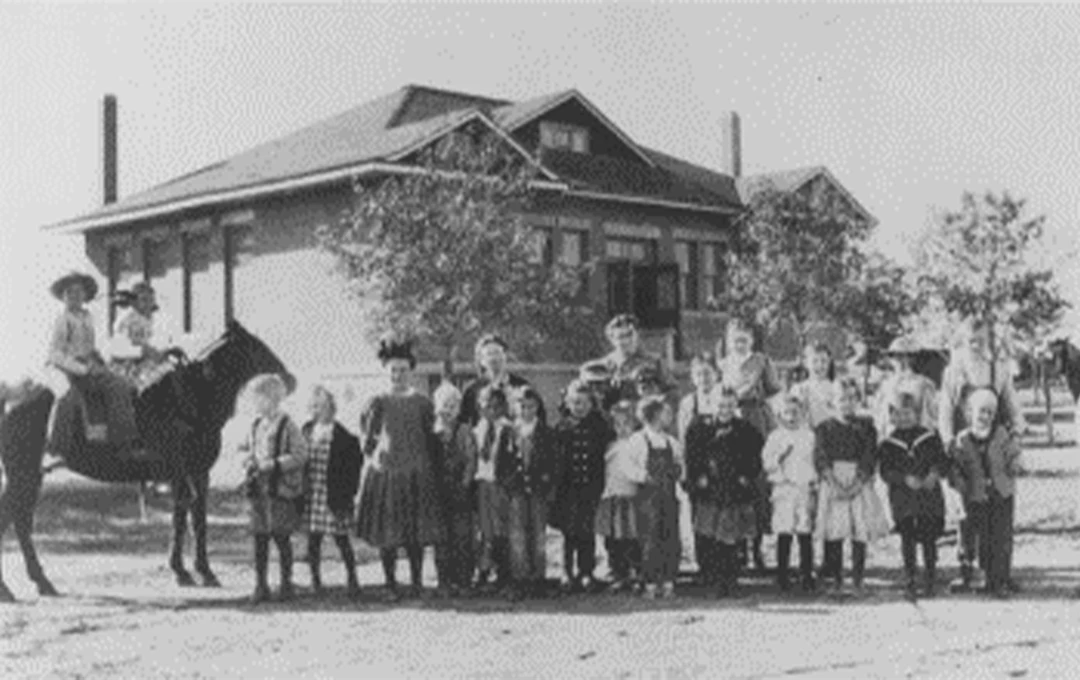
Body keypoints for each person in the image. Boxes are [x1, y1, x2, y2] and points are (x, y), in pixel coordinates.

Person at [938, 319, 1024, 592]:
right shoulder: (954, 372)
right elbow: (945, 410)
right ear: (963, 341)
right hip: (965, 448)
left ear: (989, 341)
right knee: (966, 514)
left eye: (981, 341)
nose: (976, 346)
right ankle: (966, 572)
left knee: (998, 512)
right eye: (971, 341)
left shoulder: (998, 370)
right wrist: (948, 441)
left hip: (994, 448)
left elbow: (1011, 404)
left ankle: (999, 574)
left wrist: (1016, 435)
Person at [356, 337, 442, 600]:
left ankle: (417, 583)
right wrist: (377, 457)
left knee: (415, 533)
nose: (398, 375)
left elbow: (432, 437)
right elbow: (367, 437)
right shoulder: (378, 402)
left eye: (403, 370)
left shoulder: (423, 403)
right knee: (389, 534)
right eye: (393, 370)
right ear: (386, 371)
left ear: (411, 371)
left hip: (417, 473)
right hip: (388, 475)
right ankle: (391, 584)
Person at [814, 378, 892, 595]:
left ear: (858, 400)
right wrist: (834, 484)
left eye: (851, 399)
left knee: (860, 531)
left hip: (859, 482)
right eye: (841, 399)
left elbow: (869, 456)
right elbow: (821, 458)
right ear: (833, 402)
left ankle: (858, 580)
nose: (846, 403)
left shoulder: (866, 427)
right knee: (836, 532)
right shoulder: (824, 428)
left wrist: (858, 483)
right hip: (834, 483)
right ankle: (837, 580)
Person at [46, 271, 139, 452]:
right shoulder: (63, 320)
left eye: (78, 292)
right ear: (63, 297)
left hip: (90, 364)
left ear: (84, 296)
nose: (74, 296)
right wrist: (83, 369)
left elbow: (89, 347)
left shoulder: (87, 317)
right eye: (70, 293)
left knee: (124, 384)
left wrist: (99, 361)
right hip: (70, 368)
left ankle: (122, 435)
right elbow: (56, 354)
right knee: (111, 388)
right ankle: (121, 440)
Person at [685, 387, 765, 597]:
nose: (725, 409)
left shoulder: (746, 429)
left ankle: (731, 577)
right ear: (713, 405)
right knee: (709, 534)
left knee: (731, 536)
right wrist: (698, 475)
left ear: (736, 406)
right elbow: (692, 455)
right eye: (721, 405)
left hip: (734, 490)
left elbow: (756, 456)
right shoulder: (700, 428)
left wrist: (746, 475)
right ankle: (712, 577)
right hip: (710, 489)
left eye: (730, 405)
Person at [718, 320, 781, 572]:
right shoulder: (723, 363)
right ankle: (738, 550)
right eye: (735, 339)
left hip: (756, 419)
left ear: (751, 341)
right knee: (734, 482)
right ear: (728, 340)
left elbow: (773, 392)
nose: (740, 344)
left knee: (758, 485)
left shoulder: (761, 361)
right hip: (730, 418)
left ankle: (757, 549)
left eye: (744, 339)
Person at [948, 388, 1023, 599]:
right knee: (975, 535)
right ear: (969, 413)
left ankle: (1000, 578)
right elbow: (956, 467)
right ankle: (973, 574)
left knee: (1000, 536)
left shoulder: (1001, 434)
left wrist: (1015, 463)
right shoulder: (962, 440)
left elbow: (1012, 455)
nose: (984, 417)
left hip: (1001, 492)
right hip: (975, 494)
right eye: (980, 412)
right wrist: (959, 483)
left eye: (989, 412)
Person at [240, 374, 309, 603]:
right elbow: (249, 449)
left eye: (258, 398)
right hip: (259, 491)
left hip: (280, 490)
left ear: (271, 398)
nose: (255, 403)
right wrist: (249, 460)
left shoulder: (287, 424)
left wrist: (274, 464)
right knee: (259, 539)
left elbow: (300, 455)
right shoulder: (256, 424)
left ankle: (286, 584)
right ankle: (261, 585)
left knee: (281, 537)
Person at [879, 391, 950, 600]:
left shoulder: (929, 438)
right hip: (904, 499)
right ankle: (910, 578)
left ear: (917, 413)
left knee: (929, 538)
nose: (903, 418)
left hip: (928, 496)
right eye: (898, 414)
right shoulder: (889, 444)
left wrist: (934, 474)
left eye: (908, 413)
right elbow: (885, 471)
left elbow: (943, 461)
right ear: (891, 416)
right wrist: (902, 478)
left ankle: (930, 576)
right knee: (907, 540)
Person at [550, 379, 614, 592]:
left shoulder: (599, 426)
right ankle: (566, 571)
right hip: (568, 489)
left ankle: (586, 571)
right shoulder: (561, 427)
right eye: (575, 403)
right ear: (567, 403)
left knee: (587, 532)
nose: (580, 407)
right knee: (569, 533)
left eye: (584, 403)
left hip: (590, 487)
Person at [301, 385, 362, 598]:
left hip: (334, 494)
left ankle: (352, 578)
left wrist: (349, 495)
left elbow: (354, 469)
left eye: (323, 406)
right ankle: (315, 580)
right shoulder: (306, 431)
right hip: (313, 493)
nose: (318, 410)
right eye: (314, 406)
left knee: (341, 538)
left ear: (332, 408)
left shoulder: (344, 437)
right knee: (313, 540)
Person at [500, 386, 557, 599]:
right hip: (517, 491)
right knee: (517, 535)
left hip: (538, 491)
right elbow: (502, 463)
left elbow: (554, 464)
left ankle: (538, 578)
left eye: (531, 406)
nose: (526, 411)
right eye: (522, 406)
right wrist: (508, 484)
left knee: (539, 535)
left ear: (538, 407)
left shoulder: (546, 432)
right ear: (515, 408)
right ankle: (520, 578)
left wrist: (548, 485)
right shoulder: (509, 432)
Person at [762, 392, 817, 593]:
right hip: (784, 489)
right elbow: (767, 463)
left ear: (802, 413)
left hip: (803, 488)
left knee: (804, 532)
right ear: (780, 415)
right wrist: (779, 457)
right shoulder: (775, 437)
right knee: (784, 532)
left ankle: (806, 573)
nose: (792, 417)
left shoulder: (809, 436)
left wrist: (813, 483)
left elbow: (814, 462)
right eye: (787, 413)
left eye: (795, 412)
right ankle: (782, 574)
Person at [634, 395, 683, 600]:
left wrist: (679, 472)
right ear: (653, 415)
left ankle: (669, 580)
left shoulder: (671, 441)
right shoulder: (639, 440)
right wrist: (643, 476)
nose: (670, 417)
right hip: (648, 498)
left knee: (670, 537)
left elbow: (680, 463)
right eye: (666, 413)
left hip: (669, 496)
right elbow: (630, 466)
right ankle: (651, 582)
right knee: (650, 538)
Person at [431, 381, 478, 597]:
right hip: (439, 492)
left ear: (459, 408)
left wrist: (466, 483)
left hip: (460, 490)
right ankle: (444, 580)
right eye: (444, 405)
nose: (448, 410)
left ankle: (464, 580)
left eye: (453, 405)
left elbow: (470, 460)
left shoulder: (465, 430)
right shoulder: (432, 432)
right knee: (442, 538)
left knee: (463, 537)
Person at [594, 400, 646, 593]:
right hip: (613, 496)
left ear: (634, 425)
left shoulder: (638, 444)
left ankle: (637, 573)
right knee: (613, 538)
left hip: (631, 496)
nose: (622, 428)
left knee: (633, 537)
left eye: (627, 424)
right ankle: (618, 572)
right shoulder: (610, 446)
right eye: (618, 424)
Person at [471, 385, 514, 593]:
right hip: (482, 485)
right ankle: (484, 571)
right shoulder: (478, 428)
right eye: (486, 405)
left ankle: (504, 574)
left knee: (500, 530)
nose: (491, 410)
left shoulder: (507, 429)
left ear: (503, 406)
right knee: (484, 531)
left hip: (499, 485)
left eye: (496, 405)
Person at [108, 281, 178, 391]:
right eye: (144, 300)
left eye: (151, 300)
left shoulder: (151, 319)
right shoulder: (126, 319)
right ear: (134, 301)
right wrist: (143, 351)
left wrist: (165, 351)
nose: (148, 304)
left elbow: (153, 343)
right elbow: (117, 349)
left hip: (144, 362)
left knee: (171, 371)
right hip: (123, 366)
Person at [592, 314, 672, 410]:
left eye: (630, 335)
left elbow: (672, 391)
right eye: (621, 337)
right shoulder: (604, 365)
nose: (627, 341)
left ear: (637, 335)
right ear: (612, 340)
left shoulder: (654, 362)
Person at [873, 336, 938, 438]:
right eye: (894, 356)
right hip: (891, 439)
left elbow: (929, 418)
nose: (897, 360)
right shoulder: (886, 385)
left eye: (903, 356)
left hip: (915, 438)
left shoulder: (923, 384)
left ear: (910, 358)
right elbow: (880, 416)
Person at [460, 334, 530, 427]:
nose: (494, 358)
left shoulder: (521, 386)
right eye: (489, 354)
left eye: (497, 352)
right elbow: (464, 422)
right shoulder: (472, 391)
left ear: (505, 356)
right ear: (481, 361)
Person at [789, 343, 839, 429]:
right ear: (806, 363)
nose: (819, 365)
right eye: (815, 361)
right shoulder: (798, 388)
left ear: (829, 363)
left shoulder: (835, 387)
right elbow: (791, 416)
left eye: (823, 361)